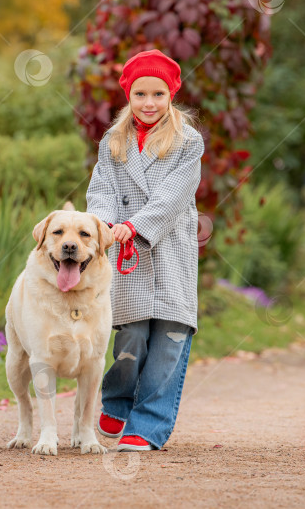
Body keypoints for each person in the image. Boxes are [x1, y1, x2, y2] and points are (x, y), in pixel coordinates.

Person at [85, 49, 204, 452]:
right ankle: (117, 401)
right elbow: (101, 190)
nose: (149, 103)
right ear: (128, 95)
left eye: (158, 93)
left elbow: (172, 197)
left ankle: (148, 424)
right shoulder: (112, 142)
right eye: (140, 94)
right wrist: (101, 225)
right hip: (122, 248)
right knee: (131, 334)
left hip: (169, 247)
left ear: (171, 94)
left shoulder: (188, 142)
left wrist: (135, 225)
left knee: (170, 336)